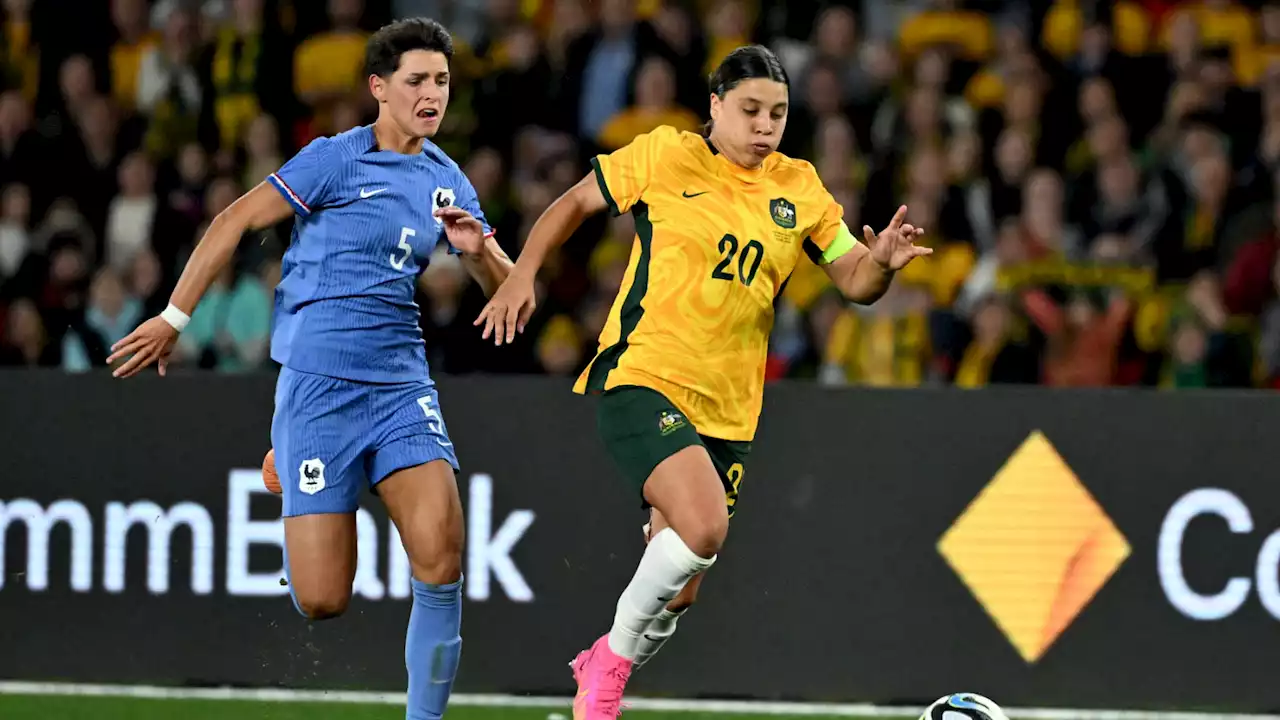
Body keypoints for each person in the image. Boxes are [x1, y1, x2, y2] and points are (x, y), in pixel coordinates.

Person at [476, 45, 930, 720]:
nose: (764, 125)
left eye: (777, 113)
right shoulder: (666, 155)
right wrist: (522, 272)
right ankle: (606, 670)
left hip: (730, 411)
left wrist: (884, 265)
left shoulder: (798, 187)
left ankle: (608, 656)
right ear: (716, 106)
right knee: (705, 527)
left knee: (679, 587)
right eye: (749, 110)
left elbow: (855, 278)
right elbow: (573, 203)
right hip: (644, 375)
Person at [107, 18, 512, 720]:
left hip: (400, 385)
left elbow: (507, 293)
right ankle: (294, 460)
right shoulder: (335, 159)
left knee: (443, 563)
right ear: (379, 88)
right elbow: (235, 218)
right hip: (320, 387)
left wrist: (477, 251)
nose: (431, 94)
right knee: (323, 599)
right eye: (416, 80)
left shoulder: (448, 180)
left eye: (441, 81)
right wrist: (174, 318)